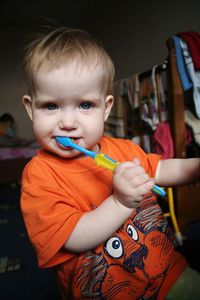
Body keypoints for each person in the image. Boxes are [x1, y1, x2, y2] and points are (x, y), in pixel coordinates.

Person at [20, 26, 200, 299]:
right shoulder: (39, 176)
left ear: (106, 108)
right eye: (51, 106)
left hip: (167, 273)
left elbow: (162, 169)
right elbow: (72, 238)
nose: (68, 123)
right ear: (30, 108)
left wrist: (196, 167)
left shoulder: (123, 149)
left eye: (85, 105)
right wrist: (120, 202)